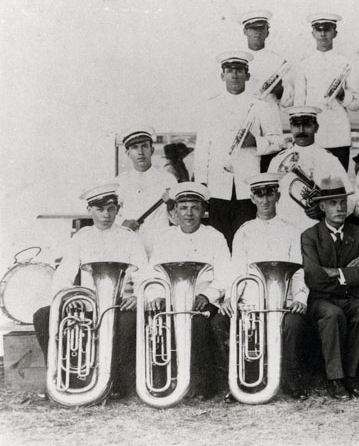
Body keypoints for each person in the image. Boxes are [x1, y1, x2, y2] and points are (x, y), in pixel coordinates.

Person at [32, 183, 147, 399]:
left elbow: (144, 274)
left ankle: (116, 384)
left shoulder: (129, 237)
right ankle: (61, 378)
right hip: (88, 304)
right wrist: (70, 296)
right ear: (89, 210)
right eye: (100, 209)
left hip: (120, 303)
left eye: (111, 209)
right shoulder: (81, 237)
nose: (106, 215)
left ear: (117, 209)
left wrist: (138, 297)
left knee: (128, 322)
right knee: (43, 315)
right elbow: (63, 276)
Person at [209, 173, 310, 401]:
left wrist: (300, 299)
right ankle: (239, 380)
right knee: (219, 322)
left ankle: (290, 378)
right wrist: (231, 300)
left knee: (294, 323)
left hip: (282, 302)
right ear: (252, 198)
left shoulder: (291, 230)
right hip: (250, 301)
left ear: (278, 196)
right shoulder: (244, 231)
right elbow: (237, 271)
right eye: (259, 194)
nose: (264, 200)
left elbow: (297, 270)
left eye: (269, 194)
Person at [144, 182, 231, 399]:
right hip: (172, 299)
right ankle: (160, 380)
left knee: (198, 323)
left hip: (203, 300)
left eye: (194, 207)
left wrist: (206, 295)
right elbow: (154, 274)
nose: (189, 213)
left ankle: (202, 384)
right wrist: (157, 296)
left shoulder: (215, 236)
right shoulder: (165, 237)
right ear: (175, 211)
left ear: (203, 210)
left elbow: (225, 276)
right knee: (154, 321)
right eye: (183, 208)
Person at [194, 51, 286, 247]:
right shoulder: (210, 106)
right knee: (219, 241)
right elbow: (202, 149)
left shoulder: (261, 106)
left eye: (239, 70)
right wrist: (202, 186)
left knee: (247, 239)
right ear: (222, 76)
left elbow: (279, 142)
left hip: (248, 187)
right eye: (229, 71)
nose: (234, 75)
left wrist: (256, 142)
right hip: (217, 187)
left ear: (247, 75)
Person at [301, 177, 359, 400]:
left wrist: (335, 271)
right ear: (322, 207)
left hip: (350, 297)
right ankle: (335, 379)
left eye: (342, 202)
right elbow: (313, 277)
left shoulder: (358, 234)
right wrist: (348, 274)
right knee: (333, 314)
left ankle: (350, 375)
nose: (340, 208)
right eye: (333, 203)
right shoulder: (309, 236)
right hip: (320, 300)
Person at [285, 13, 359, 171]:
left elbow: (356, 104)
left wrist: (342, 95)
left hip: (339, 133)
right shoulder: (304, 64)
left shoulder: (346, 63)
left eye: (327, 30)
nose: (322, 34)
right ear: (313, 33)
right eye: (318, 30)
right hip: (312, 136)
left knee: (338, 184)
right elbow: (299, 105)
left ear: (335, 33)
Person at [267, 106, 354, 232]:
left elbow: (350, 199)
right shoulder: (278, 161)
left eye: (307, 125)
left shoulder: (329, 160)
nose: (301, 130)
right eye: (296, 125)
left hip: (318, 231)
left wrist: (326, 211)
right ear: (291, 127)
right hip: (284, 231)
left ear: (316, 127)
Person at [239, 10, 293, 172]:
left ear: (267, 32)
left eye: (261, 28)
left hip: (270, 123)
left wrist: (279, 89)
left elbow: (289, 101)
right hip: (246, 122)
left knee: (270, 170)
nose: (257, 32)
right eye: (253, 28)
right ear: (245, 31)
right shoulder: (238, 60)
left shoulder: (278, 61)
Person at [115, 125, 177, 256]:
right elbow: (110, 214)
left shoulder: (168, 179)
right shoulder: (119, 182)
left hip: (159, 247)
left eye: (144, 146)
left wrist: (171, 205)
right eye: (134, 148)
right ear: (127, 153)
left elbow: (177, 220)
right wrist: (122, 223)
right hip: (130, 247)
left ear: (152, 150)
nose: (140, 152)